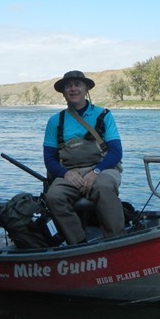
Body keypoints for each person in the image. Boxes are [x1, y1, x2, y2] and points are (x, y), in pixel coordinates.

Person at [43, 70, 125, 244]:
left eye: (77, 85)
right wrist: (64, 173)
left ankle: (117, 240)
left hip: (104, 168)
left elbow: (116, 152)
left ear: (86, 89)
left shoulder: (104, 115)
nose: (73, 89)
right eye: (68, 86)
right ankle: (78, 244)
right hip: (71, 173)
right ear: (64, 92)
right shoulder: (54, 121)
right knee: (53, 196)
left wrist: (96, 171)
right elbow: (49, 159)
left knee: (103, 187)